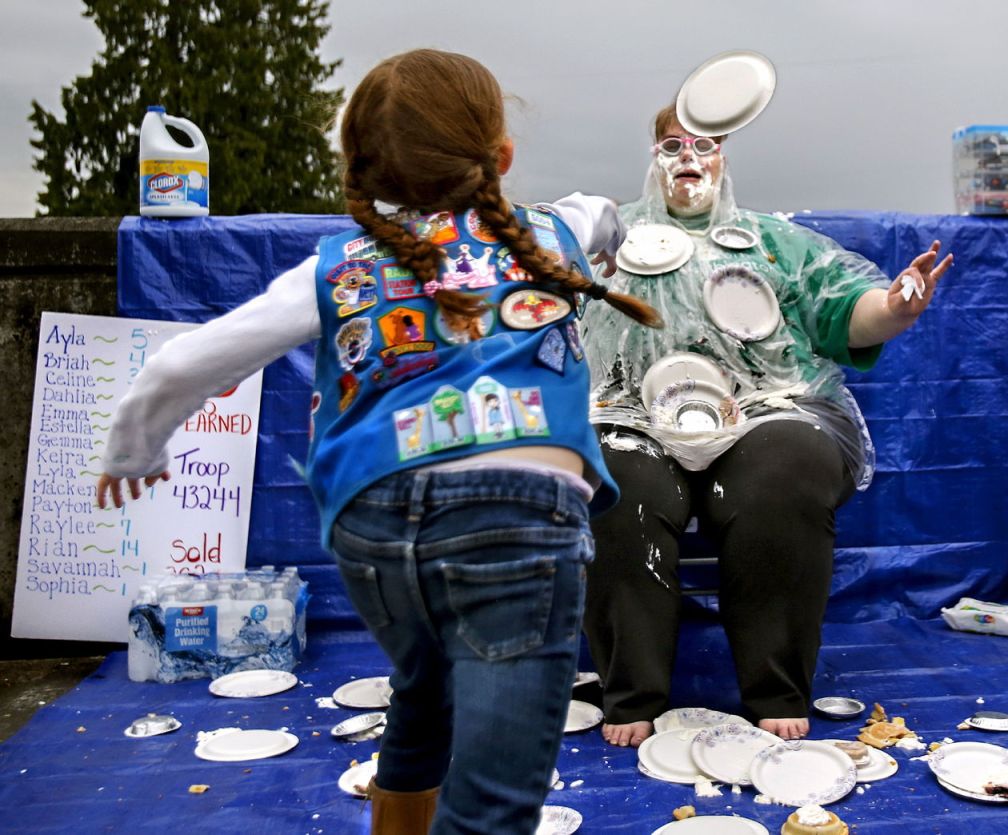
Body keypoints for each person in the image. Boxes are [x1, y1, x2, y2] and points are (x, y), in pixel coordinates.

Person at [96, 49, 661, 835]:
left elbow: (185, 361)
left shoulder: (334, 268)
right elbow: (606, 212)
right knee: (494, 802)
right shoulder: (555, 230)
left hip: (374, 528)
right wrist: (606, 244)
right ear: (501, 156)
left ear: (365, 171)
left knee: (423, 689)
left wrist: (134, 450)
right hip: (517, 520)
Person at [579, 102, 952, 747]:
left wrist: (892, 308)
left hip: (765, 406)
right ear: (654, 158)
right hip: (626, 411)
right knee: (616, 485)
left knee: (784, 472)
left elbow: (843, 308)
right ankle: (631, 689)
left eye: (703, 146)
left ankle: (775, 686)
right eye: (672, 146)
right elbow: (537, 301)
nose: (689, 159)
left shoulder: (771, 241)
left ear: (724, 158)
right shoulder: (606, 240)